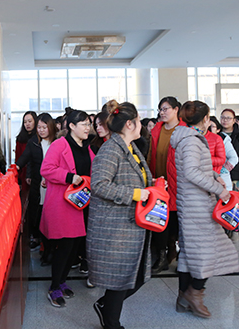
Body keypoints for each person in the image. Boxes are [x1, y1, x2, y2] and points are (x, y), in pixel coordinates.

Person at [170, 101, 238, 319]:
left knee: (190, 252)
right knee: (209, 251)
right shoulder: (191, 140)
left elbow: (198, 168)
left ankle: (183, 297)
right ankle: (194, 293)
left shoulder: (189, 137)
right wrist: (219, 189)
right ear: (205, 118)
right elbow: (191, 172)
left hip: (192, 202)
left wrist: (215, 175)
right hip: (196, 204)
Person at [88, 101, 152, 329]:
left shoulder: (131, 148)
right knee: (121, 279)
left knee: (135, 276)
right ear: (129, 124)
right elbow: (99, 185)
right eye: (137, 122)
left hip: (132, 224)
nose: (140, 126)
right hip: (116, 227)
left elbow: (140, 178)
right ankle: (111, 321)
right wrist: (135, 193)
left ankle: (105, 307)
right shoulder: (110, 149)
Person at [40, 109, 95, 308]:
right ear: (71, 126)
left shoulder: (86, 147)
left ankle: (62, 282)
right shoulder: (60, 145)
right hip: (63, 203)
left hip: (80, 203)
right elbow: (46, 169)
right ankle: (54, 287)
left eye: (89, 124)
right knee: (64, 247)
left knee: (74, 247)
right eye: (84, 124)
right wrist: (69, 177)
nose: (88, 127)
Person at [147, 96, 186, 273]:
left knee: (178, 224)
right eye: (160, 109)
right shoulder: (157, 129)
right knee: (160, 222)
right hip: (159, 183)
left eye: (166, 109)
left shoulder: (185, 130)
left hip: (179, 184)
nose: (162, 112)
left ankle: (180, 256)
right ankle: (162, 257)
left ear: (176, 109)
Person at [16, 113, 56, 260]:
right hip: (38, 183)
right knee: (39, 212)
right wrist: (16, 168)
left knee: (53, 213)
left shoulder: (58, 141)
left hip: (55, 184)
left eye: (44, 127)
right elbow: (25, 158)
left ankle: (51, 246)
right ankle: (42, 244)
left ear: (50, 127)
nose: (41, 130)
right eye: (39, 127)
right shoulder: (33, 142)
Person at [209, 116, 238, 191]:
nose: (209, 129)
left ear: (218, 129)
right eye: (208, 126)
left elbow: (234, 158)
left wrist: (223, 170)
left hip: (222, 178)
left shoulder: (223, 140)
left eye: (212, 126)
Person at [16, 111, 37, 195]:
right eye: (25, 122)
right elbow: (18, 157)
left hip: (35, 172)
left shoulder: (38, 138)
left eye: (30, 121)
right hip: (23, 173)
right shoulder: (20, 138)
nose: (27, 124)